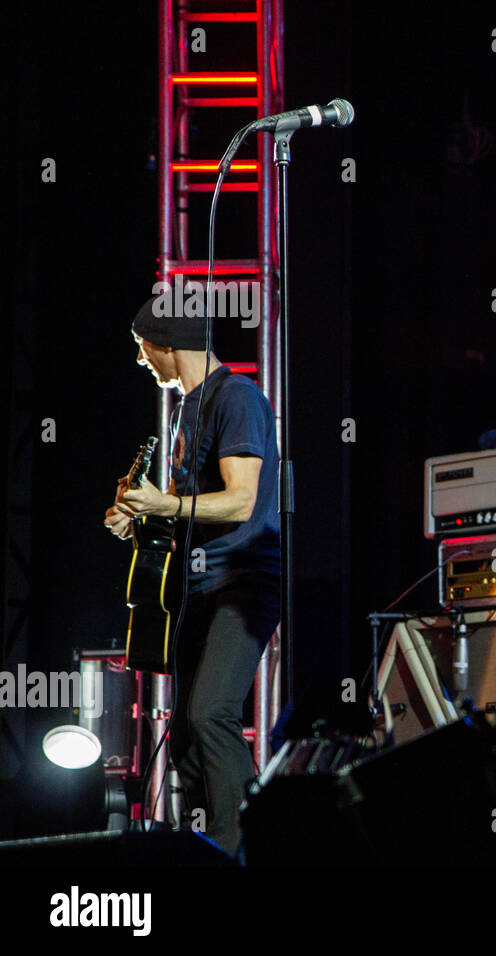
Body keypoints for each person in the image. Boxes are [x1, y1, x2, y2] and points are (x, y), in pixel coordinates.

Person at [105, 295, 280, 856]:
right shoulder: (186, 407)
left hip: (244, 583)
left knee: (212, 714)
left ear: (167, 346)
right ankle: (205, 844)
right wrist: (140, 517)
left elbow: (241, 502)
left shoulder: (238, 398)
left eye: (142, 349)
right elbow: (187, 509)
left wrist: (166, 505)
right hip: (200, 586)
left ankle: (246, 848)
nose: (140, 362)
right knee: (183, 735)